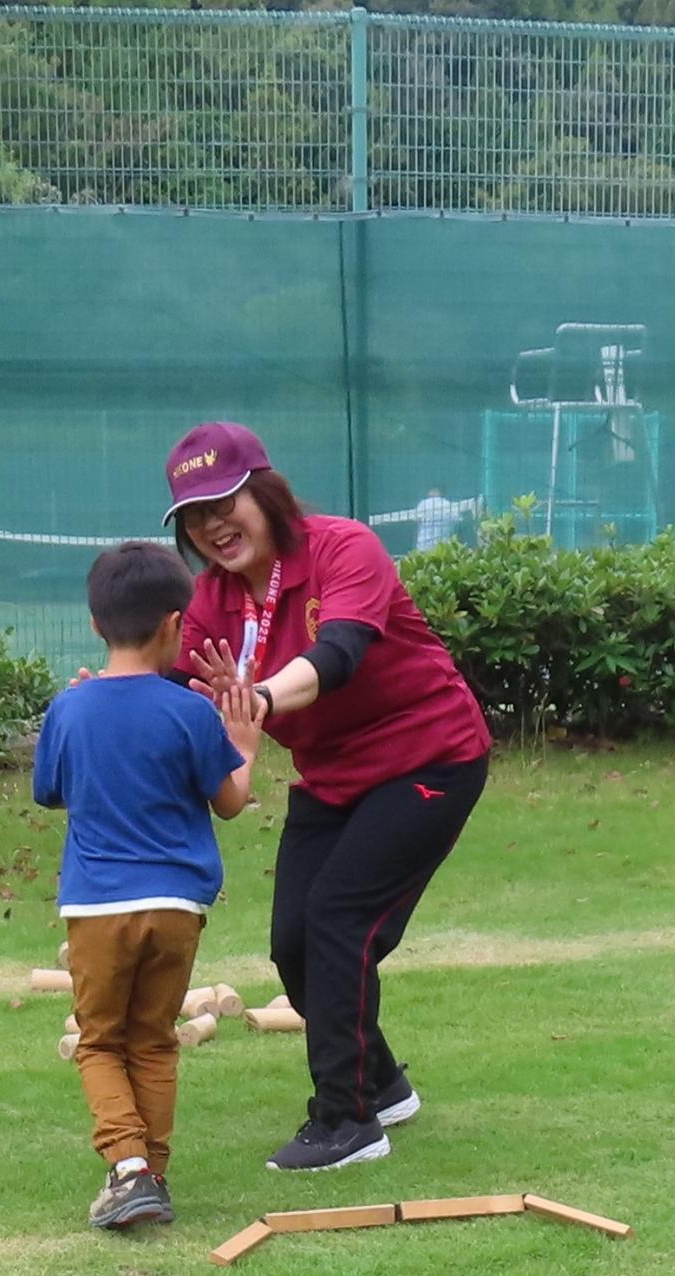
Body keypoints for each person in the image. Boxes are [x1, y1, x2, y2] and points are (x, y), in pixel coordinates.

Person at [164, 422, 492, 1172]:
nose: (213, 526)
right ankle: (382, 1079)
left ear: (266, 493)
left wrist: (258, 703)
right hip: (334, 774)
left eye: (226, 502)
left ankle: (346, 1121)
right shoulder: (213, 599)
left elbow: (337, 656)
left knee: (340, 919)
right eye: (193, 515)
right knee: (292, 945)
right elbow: (177, 690)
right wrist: (115, 706)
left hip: (430, 756)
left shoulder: (343, 548)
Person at [35, 543, 264, 1229]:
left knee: (101, 1040)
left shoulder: (68, 710)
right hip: (177, 907)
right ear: (174, 625)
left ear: (97, 625)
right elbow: (229, 802)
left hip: (98, 906)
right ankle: (150, 1173)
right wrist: (246, 747)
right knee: (155, 1038)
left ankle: (129, 1169)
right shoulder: (190, 713)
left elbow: (51, 791)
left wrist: (77, 717)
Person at [368, 487, 481, 553]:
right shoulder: (450, 506)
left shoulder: (423, 504)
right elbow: (458, 520)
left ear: (433, 491)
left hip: (423, 549)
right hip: (442, 550)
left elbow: (415, 519)